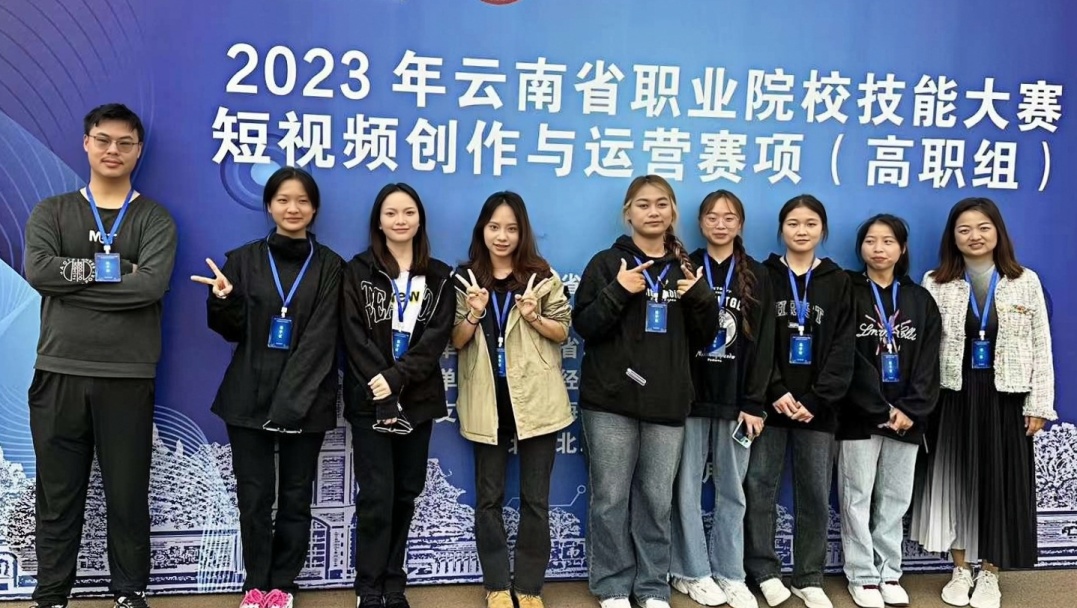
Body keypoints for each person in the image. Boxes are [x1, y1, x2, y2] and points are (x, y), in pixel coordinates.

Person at [23, 103, 177, 608]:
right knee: (57, 494)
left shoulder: (154, 219)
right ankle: (52, 595)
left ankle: (129, 592)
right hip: (59, 371)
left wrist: (74, 281)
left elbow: (149, 286)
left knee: (127, 495)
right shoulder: (52, 211)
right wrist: (114, 270)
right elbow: (39, 273)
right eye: (104, 140)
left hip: (126, 375)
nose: (114, 150)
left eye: (125, 143)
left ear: (138, 150)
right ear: (86, 143)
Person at [191, 166, 343, 608]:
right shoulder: (242, 260)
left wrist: (289, 404)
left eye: (302, 201)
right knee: (254, 498)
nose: (293, 208)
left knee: (296, 497)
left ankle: (283, 585)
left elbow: (321, 339)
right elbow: (230, 331)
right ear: (269, 206)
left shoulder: (331, 266)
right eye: (283, 200)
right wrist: (224, 300)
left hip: (306, 401)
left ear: (314, 209)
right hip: (247, 397)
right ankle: (255, 584)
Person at [573, 175, 718, 608]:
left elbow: (706, 338)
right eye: (643, 204)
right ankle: (613, 586)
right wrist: (619, 291)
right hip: (610, 402)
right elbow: (585, 326)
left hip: (666, 402)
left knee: (656, 500)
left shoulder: (686, 269)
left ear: (673, 211)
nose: (652, 212)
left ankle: (652, 586)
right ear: (628, 213)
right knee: (610, 499)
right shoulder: (606, 264)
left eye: (661, 204)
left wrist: (701, 299)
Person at [910, 197, 1056, 608]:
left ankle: (990, 573)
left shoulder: (1024, 280)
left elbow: (1041, 345)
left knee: (1000, 484)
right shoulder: (935, 282)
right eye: (964, 229)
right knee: (956, 482)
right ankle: (960, 569)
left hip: (1006, 397)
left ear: (997, 232)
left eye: (983, 227)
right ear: (953, 237)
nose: (974, 236)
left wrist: (1039, 403)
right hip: (952, 396)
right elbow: (922, 347)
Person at [451, 191, 574, 608]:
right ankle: (497, 585)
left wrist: (535, 316)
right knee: (488, 499)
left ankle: (529, 587)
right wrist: (474, 313)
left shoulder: (542, 276)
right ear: (482, 230)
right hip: (487, 402)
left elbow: (564, 331)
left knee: (536, 500)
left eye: (511, 228)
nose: (502, 236)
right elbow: (455, 340)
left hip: (537, 401)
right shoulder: (465, 279)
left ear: (523, 233)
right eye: (494, 227)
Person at [342, 183, 454, 608]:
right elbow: (353, 335)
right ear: (379, 221)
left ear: (420, 219)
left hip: (417, 400)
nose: (400, 220)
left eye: (408, 212)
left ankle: (394, 583)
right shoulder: (358, 271)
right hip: (370, 400)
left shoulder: (440, 276)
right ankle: (368, 586)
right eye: (391, 213)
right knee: (376, 496)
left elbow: (435, 340)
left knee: (406, 492)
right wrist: (382, 384)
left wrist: (397, 377)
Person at [744, 194, 854, 608]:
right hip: (770, 406)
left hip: (817, 409)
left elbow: (844, 347)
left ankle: (809, 577)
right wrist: (775, 391)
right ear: (781, 229)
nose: (801, 231)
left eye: (810, 224)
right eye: (793, 223)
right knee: (759, 487)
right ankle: (764, 571)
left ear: (823, 230)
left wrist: (817, 398)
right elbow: (755, 341)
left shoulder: (838, 281)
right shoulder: (763, 275)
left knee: (814, 493)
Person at [670, 190, 774, 608]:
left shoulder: (758, 275)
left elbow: (765, 344)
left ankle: (730, 573)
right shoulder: (685, 267)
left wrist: (755, 402)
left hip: (736, 401)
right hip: (690, 398)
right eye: (712, 216)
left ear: (740, 224)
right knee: (686, 489)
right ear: (700, 223)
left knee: (733, 489)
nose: (720, 224)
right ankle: (691, 570)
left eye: (729, 217)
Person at [837, 214, 941, 608]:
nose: (878, 249)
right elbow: (844, 354)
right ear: (860, 247)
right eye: (870, 241)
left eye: (888, 241)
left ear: (902, 248)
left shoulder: (920, 299)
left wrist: (911, 408)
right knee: (857, 496)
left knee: (895, 499)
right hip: (859, 416)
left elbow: (929, 359)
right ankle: (862, 576)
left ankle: (889, 572)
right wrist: (878, 407)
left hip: (907, 419)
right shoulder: (847, 291)